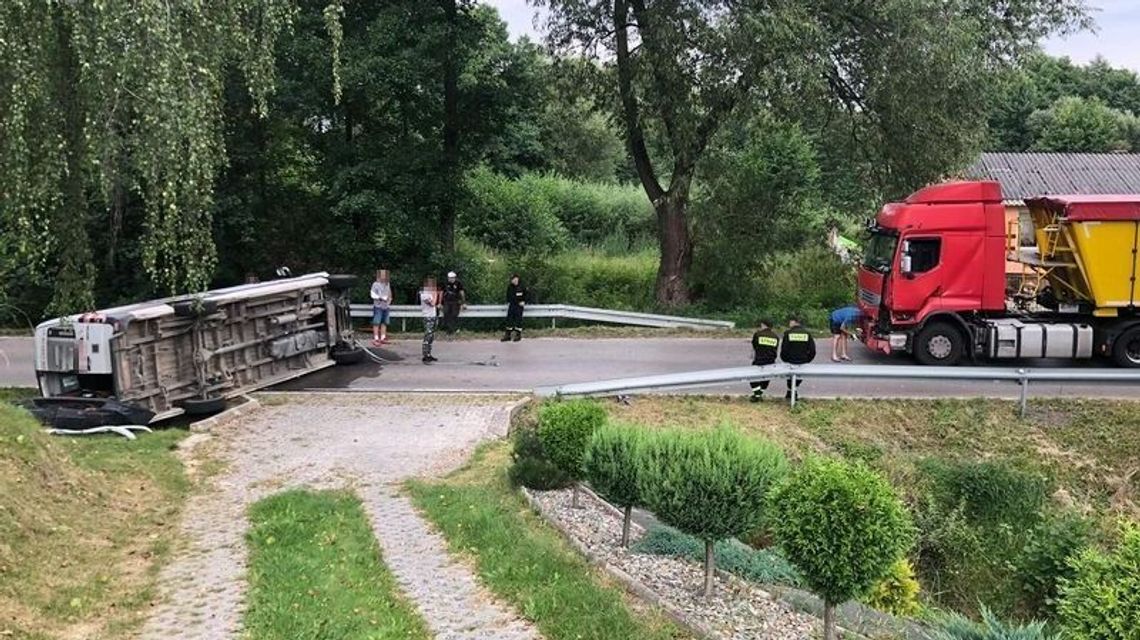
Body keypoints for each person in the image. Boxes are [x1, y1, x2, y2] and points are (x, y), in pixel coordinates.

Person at [780, 316, 816, 401]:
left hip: (790, 360)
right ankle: (792, 392)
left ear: (794, 322)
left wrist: (785, 359)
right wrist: (807, 360)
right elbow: (812, 350)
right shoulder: (807, 334)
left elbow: (784, 349)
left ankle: (791, 392)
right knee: (798, 377)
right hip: (803, 360)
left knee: (790, 377)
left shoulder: (788, 333)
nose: (789, 324)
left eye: (790, 322)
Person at [749, 319, 779, 403]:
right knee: (766, 378)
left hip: (759, 360)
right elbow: (775, 349)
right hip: (770, 361)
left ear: (763, 325)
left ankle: (757, 395)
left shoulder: (758, 334)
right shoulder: (775, 337)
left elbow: (755, 346)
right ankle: (759, 394)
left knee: (751, 376)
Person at [420, 276, 440, 364]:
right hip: (427, 316)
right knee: (428, 335)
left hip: (433, 315)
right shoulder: (424, 294)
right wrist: (435, 294)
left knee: (432, 336)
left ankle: (429, 353)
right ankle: (425, 355)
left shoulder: (431, 294)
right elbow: (433, 303)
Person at [370, 269, 392, 346]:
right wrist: (381, 298)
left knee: (384, 322)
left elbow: (389, 293)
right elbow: (372, 294)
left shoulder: (387, 284)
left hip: (386, 306)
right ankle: (376, 338)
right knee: (376, 322)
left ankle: (383, 337)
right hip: (378, 306)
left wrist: (389, 300)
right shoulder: (375, 284)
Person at [502, 274, 527, 342]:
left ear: (518, 279)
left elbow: (527, 295)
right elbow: (508, 295)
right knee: (509, 320)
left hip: (519, 306)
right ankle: (508, 335)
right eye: (513, 279)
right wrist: (508, 302)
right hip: (512, 305)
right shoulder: (510, 287)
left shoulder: (522, 286)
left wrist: (524, 301)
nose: (514, 281)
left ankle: (518, 335)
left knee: (518, 320)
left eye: (515, 279)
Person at [441, 271, 466, 335]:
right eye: (449, 278)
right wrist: (440, 303)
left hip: (456, 301)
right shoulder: (445, 283)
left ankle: (451, 330)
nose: (451, 279)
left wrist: (463, 303)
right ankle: (450, 330)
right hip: (447, 301)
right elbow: (441, 293)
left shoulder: (458, 283)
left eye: (452, 278)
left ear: (455, 278)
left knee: (454, 315)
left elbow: (462, 293)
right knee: (446, 313)